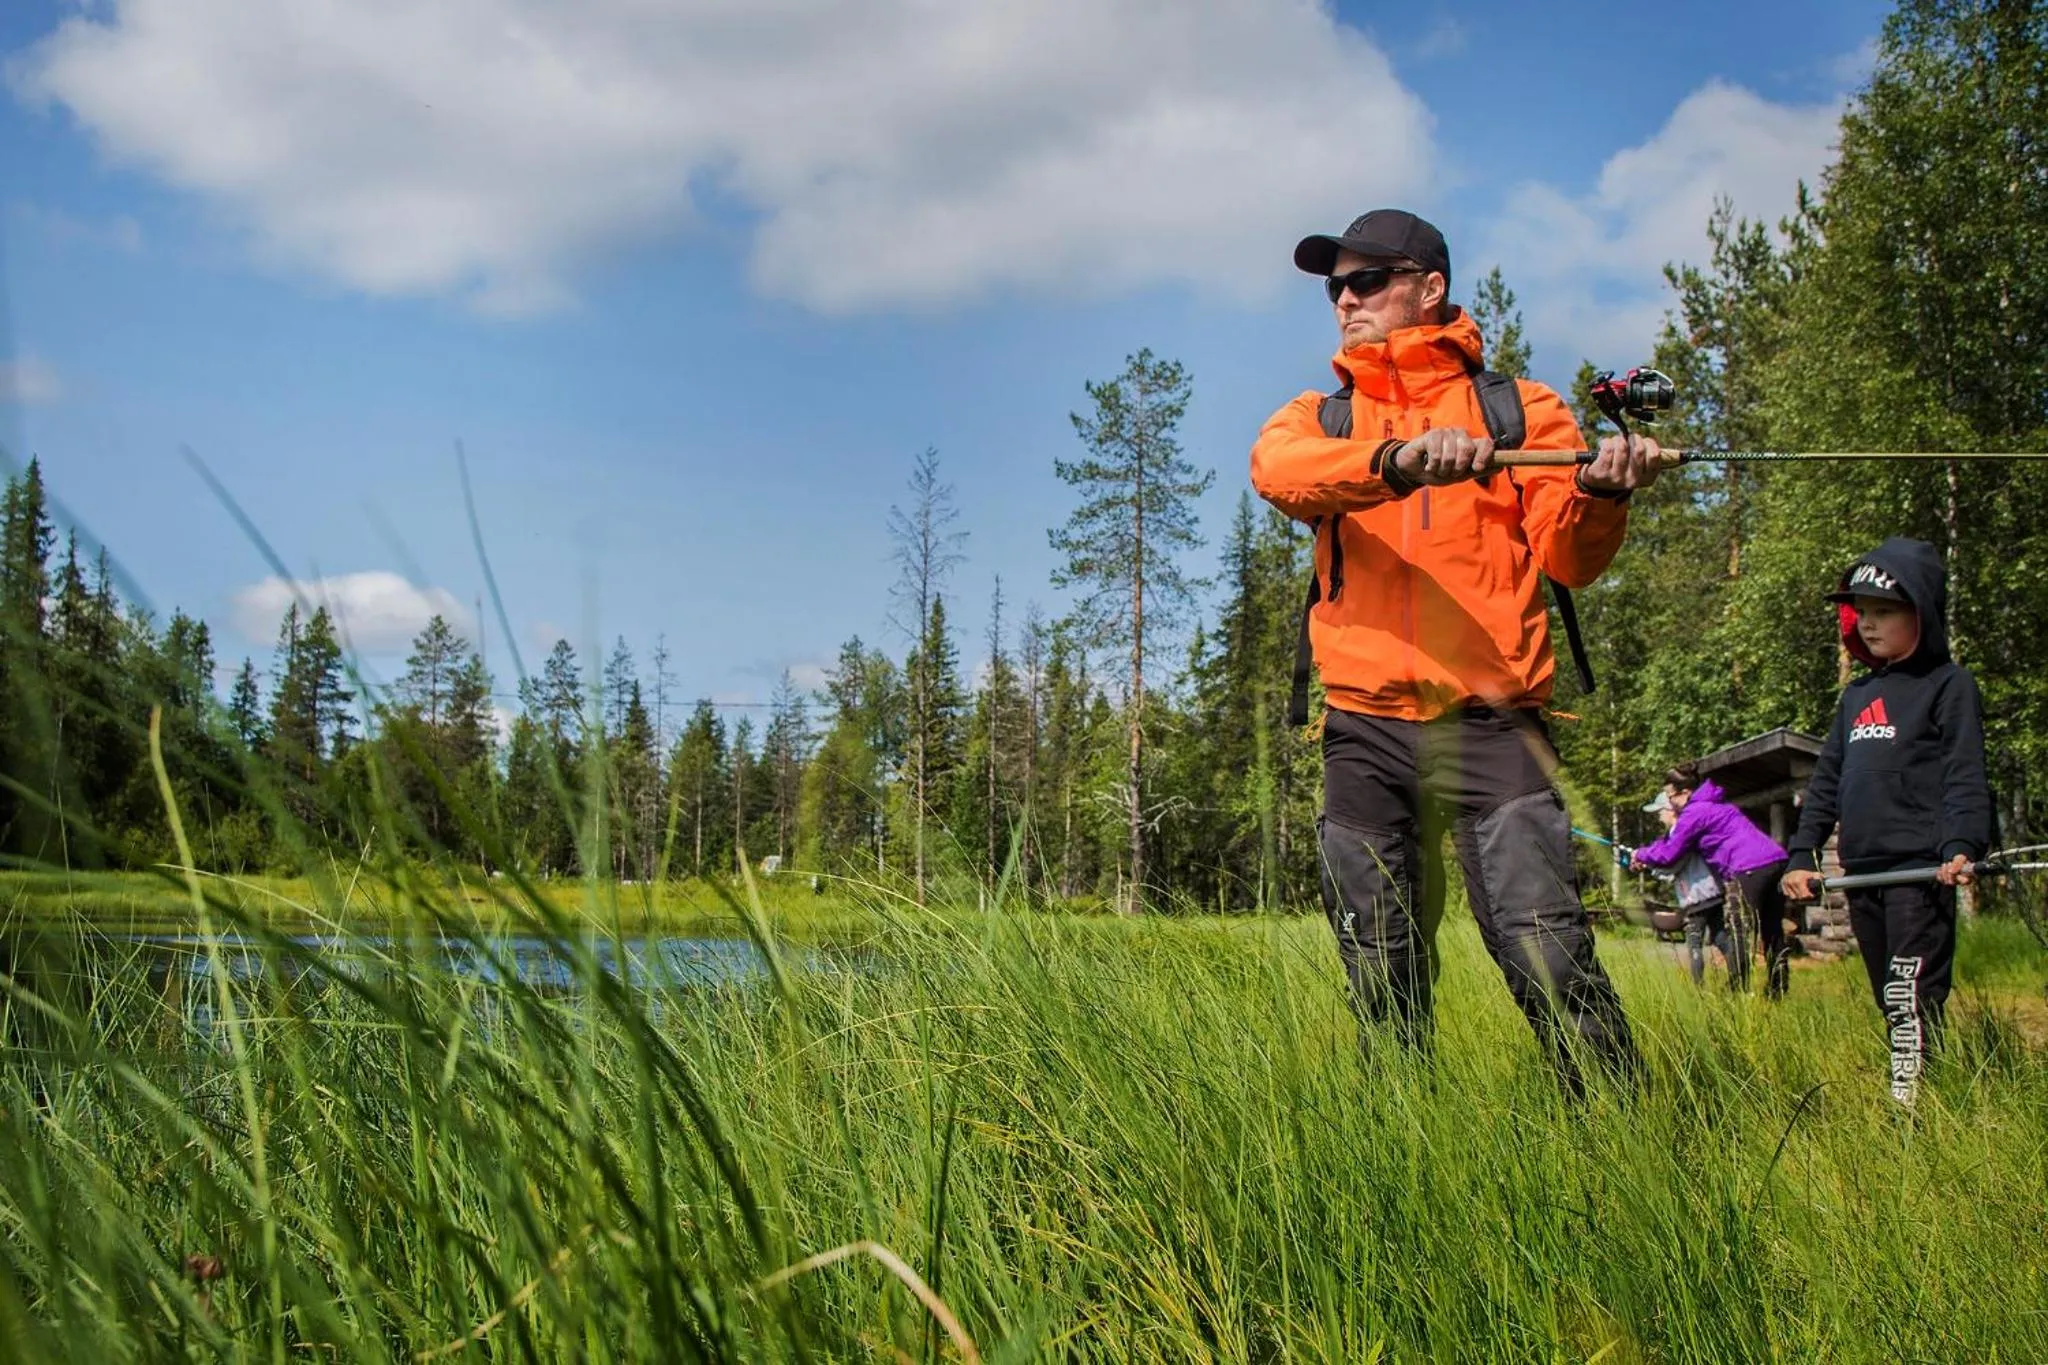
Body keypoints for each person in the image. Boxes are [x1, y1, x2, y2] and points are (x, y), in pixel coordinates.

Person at [1249, 208, 1666, 1096]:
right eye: (1335, 287)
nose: (1346, 299)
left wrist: (1601, 494)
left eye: (1367, 280)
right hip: (1363, 725)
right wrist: (1398, 460)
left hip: (1494, 723)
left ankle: (1627, 1131)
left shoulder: (1522, 409)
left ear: (1429, 287)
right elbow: (1277, 472)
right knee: (1378, 960)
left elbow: (1570, 559)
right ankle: (1400, 1136)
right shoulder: (1321, 416)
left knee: (1545, 945)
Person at [1780, 537, 1991, 1104]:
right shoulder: (1857, 696)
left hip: (1918, 872)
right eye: (1861, 612)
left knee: (1910, 994)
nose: (1867, 624)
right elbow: (1826, 783)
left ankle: (1912, 1116)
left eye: (1883, 611)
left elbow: (1965, 773)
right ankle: (1917, 1093)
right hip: (1862, 873)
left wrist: (1962, 844)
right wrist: (1801, 855)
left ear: (1921, 612)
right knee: (1887, 995)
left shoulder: (1948, 686)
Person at [1629, 763, 1794, 996]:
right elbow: (1672, 846)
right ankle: (1778, 989)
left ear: (1685, 793)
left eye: (1670, 796)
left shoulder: (1694, 812)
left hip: (1749, 867)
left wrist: (1640, 854)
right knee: (1772, 929)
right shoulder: (1715, 804)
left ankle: (1737, 991)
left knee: (1740, 931)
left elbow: (1669, 854)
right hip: (1775, 860)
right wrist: (1647, 855)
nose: (1670, 802)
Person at [1642, 790, 1734, 988]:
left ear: (1671, 811)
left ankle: (1698, 991)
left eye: (1660, 811)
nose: (1659, 816)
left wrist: (1648, 864)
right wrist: (1649, 865)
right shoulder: (1683, 831)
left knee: (1694, 943)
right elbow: (1670, 867)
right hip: (1711, 894)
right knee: (1720, 938)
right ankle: (1739, 983)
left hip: (1697, 897)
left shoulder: (1681, 833)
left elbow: (1672, 865)